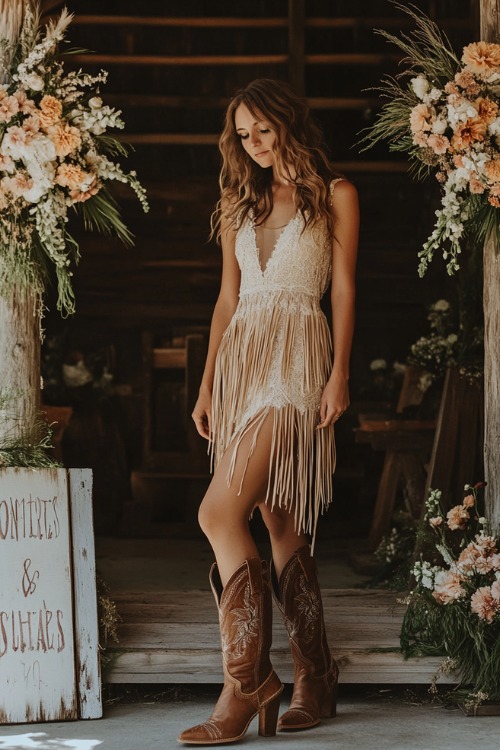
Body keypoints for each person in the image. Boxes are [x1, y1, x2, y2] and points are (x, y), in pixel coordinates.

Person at [178, 78, 359, 746]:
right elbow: (228, 301)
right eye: (243, 134)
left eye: (263, 130)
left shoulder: (335, 195)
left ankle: (246, 683)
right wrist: (206, 386)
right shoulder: (237, 203)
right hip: (241, 368)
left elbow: (342, 289)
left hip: (297, 365)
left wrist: (339, 374)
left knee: (216, 512)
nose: (253, 144)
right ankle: (315, 676)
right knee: (279, 521)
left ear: (288, 124)